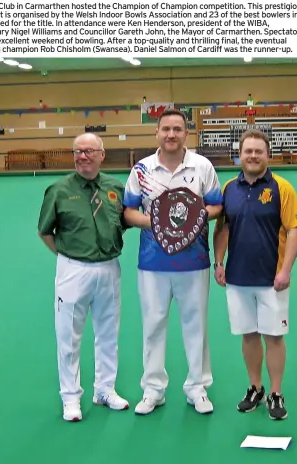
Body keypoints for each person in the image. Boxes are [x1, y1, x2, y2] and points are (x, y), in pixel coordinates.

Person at [123, 109, 223, 415]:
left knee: (196, 326)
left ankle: (197, 387)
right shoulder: (141, 170)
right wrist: (157, 226)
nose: (171, 134)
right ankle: (153, 389)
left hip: (195, 262)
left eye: (177, 129)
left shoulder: (202, 166)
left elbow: (217, 205)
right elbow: (128, 212)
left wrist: (194, 218)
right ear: (157, 133)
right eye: (165, 128)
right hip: (153, 262)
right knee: (153, 325)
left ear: (186, 134)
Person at [37, 132, 130, 422]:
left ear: (102, 155)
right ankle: (70, 398)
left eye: (89, 151)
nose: (83, 156)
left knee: (108, 334)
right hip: (73, 270)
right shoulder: (59, 190)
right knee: (68, 337)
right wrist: (69, 257)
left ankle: (104, 389)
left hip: (109, 268)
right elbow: (45, 232)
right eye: (78, 151)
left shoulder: (116, 187)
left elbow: (121, 225)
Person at [213, 129, 297, 420]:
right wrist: (218, 262)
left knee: (274, 337)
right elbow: (222, 228)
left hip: (271, 280)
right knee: (248, 335)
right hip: (237, 279)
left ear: (268, 155)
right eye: (248, 151)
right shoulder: (228, 188)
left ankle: (276, 392)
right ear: (239, 155)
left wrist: (286, 270)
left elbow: (294, 230)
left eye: (258, 151)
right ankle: (255, 388)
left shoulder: (282, 188)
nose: (253, 156)